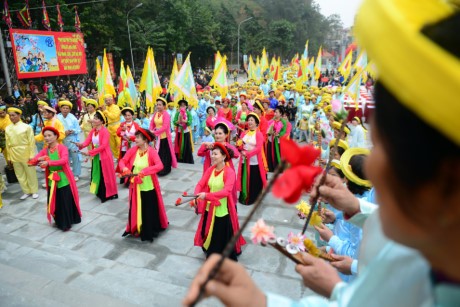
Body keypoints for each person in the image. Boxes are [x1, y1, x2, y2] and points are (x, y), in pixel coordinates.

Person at [183, 1, 460, 305]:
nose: (370, 166)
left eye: (379, 147)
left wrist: (260, 302)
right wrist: (354, 212)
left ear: (448, 179)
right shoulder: (429, 252)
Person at [194, 143, 246, 261]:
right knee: (207, 231)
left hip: (221, 210)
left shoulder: (229, 172)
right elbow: (200, 183)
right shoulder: (210, 169)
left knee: (218, 235)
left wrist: (207, 195)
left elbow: (226, 191)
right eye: (212, 153)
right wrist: (197, 193)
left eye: (215, 154)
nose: (212, 156)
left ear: (223, 156)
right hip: (209, 208)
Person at [118, 129, 168, 242]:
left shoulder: (152, 151)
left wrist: (146, 171)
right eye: (135, 138)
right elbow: (122, 161)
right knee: (136, 207)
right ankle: (137, 226)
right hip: (135, 186)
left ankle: (149, 230)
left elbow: (160, 166)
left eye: (137, 138)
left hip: (148, 186)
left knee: (148, 209)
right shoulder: (133, 150)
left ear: (145, 139)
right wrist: (124, 168)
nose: (135, 140)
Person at [29, 127, 81, 231]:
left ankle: (66, 222)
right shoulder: (45, 150)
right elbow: (32, 162)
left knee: (64, 201)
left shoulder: (62, 148)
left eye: (49, 135)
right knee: (55, 201)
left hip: (63, 178)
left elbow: (64, 160)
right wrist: (36, 160)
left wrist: (48, 162)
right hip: (52, 179)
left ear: (56, 136)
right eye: (45, 136)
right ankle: (59, 221)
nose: (47, 138)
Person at [77, 111, 118, 203]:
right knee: (98, 174)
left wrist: (90, 152)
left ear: (101, 121)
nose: (93, 120)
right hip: (96, 156)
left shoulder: (105, 131)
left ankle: (108, 194)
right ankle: (99, 192)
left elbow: (103, 146)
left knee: (105, 175)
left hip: (105, 157)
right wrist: (81, 145)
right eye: (94, 118)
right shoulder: (93, 131)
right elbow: (87, 141)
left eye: (96, 118)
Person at [5, 107, 39, 200]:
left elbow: (31, 142)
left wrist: (32, 155)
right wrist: (9, 157)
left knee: (30, 173)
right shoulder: (7, 128)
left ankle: (34, 190)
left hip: (25, 152)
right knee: (20, 174)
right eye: (10, 115)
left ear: (19, 115)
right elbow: (7, 144)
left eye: (13, 115)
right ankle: (26, 191)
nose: (11, 117)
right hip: (14, 153)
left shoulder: (26, 127)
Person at [237, 113, 267, 205]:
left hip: (255, 162)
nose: (249, 122)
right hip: (244, 160)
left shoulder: (258, 134)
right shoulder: (244, 133)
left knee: (253, 179)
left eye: (252, 120)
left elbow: (258, 148)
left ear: (256, 123)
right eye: (248, 120)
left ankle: (254, 197)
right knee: (244, 178)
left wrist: (248, 153)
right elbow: (239, 143)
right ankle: (244, 196)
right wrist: (241, 149)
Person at [150, 97, 177, 176]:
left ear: (164, 106)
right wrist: (151, 130)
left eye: (160, 105)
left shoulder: (166, 115)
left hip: (164, 137)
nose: (158, 106)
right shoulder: (156, 114)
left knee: (164, 153)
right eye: (157, 105)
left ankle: (165, 169)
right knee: (157, 153)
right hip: (156, 136)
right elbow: (152, 123)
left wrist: (155, 132)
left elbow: (165, 127)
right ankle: (157, 168)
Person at [57, 100, 81, 181]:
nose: (65, 110)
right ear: (60, 109)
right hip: (61, 140)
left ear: (70, 110)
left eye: (67, 108)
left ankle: (76, 174)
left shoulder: (73, 118)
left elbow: (78, 130)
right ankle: (65, 173)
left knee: (75, 157)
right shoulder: (57, 117)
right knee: (64, 158)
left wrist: (72, 131)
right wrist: (63, 133)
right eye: (63, 108)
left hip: (72, 140)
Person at [266, 106, 287, 172]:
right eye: (275, 112)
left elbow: (284, 131)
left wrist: (278, 134)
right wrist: (270, 132)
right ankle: (270, 167)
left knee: (277, 153)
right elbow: (268, 126)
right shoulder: (272, 120)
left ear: (280, 113)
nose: (275, 113)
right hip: (271, 138)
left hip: (278, 140)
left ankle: (278, 168)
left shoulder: (283, 121)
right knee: (270, 152)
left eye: (277, 112)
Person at [173, 99, 194, 164]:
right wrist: (178, 121)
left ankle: (187, 159)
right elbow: (174, 121)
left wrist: (185, 121)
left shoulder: (188, 113)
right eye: (181, 105)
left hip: (186, 131)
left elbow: (190, 121)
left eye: (184, 105)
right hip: (179, 131)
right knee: (179, 144)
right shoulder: (177, 113)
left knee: (187, 145)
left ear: (186, 106)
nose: (182, 107)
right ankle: (179, 158)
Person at [101, 94, 121, 159]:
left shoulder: (115, 107)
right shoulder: (105, 108)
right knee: (112, 145)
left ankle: (120, 156)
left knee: (119, 143)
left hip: (117, 127)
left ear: (112, 100)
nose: (108, 102)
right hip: (109, 127)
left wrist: (105, 111)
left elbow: (113, 116)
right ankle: (116, 157)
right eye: (106, 101)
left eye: (109, 100)